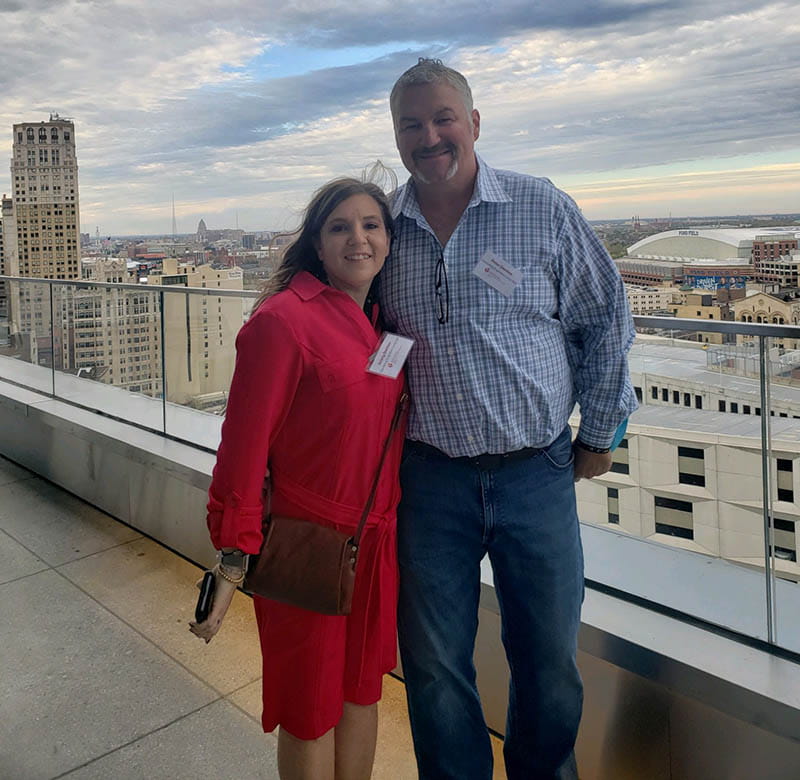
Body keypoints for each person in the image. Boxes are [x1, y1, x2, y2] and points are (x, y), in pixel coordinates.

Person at [380, 59, 638, 779]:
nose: (429, 136)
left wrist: (599, 433)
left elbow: (607, 317)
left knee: (550, 663)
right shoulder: (383, 231)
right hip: (429, 482)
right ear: (396, 136)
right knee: (432, 669)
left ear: (474, 124)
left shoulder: (539, 206)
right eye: (411, 124)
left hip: (537, 475)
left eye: (443, 119)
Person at [189, 177, 407, 780]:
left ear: (390, 239)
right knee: (309, 710)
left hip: (378, 542)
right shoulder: (283, 322)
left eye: (372, 225)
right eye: (340, 226)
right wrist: (233, 557)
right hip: (310, 542)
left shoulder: (387, 324)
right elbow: (243, 447)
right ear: (316, 243)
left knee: (363, 692)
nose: (358, 238)